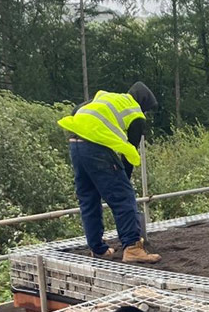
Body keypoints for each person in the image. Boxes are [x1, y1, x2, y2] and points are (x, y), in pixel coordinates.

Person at [57, 82, 161, 263]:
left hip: (75, 143)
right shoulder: (135, 114)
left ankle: (98, 248)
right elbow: (129, 154)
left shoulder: (107, 97)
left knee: (89, 199)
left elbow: (76, 109)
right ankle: (133, 248)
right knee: (123, 197)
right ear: (143, 103)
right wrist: (123, 182)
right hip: (96, 148)